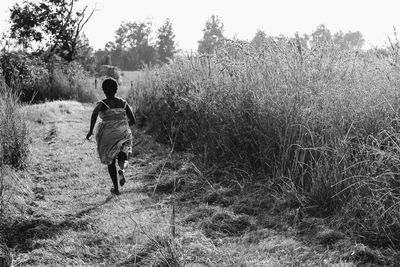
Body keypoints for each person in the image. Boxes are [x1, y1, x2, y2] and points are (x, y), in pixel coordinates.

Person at [86, 78, 135, 195]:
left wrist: (91, 130)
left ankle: (116, 189)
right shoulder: (123, 103)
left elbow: (94, 114)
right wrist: (123, 127)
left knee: (110, 160)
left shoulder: (102, 104)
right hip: (123, 132)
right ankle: (122, 170)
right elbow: (133, 120)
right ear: (116, 89)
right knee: (124, 156)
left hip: (108, 134)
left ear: (103, 90)